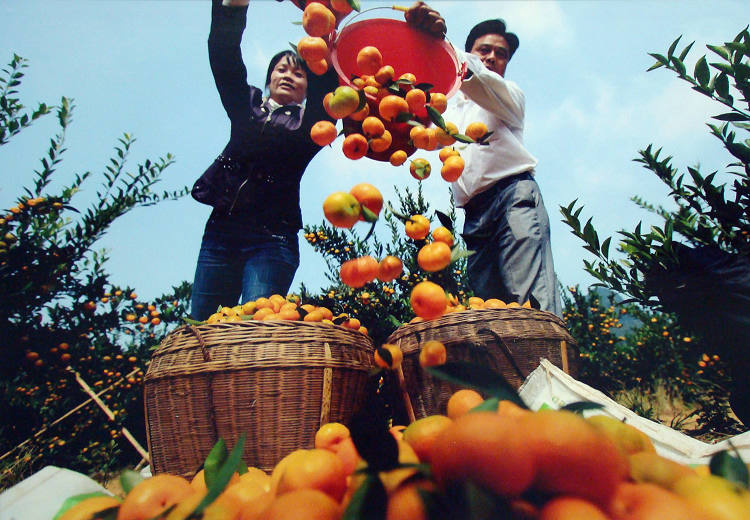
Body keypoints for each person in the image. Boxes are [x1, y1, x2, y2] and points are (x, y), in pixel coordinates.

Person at [406, 3, 562, 316]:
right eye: (484, 50)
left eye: (500, 54)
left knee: (531, 302)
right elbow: (411, 129)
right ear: (470, 52)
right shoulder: (445, 110)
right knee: (488, 308)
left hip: (512, 198)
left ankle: (551, 361)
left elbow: (475, 78)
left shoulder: (507, 97)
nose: (492, 57)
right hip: (474, 215)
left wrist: (444, 46)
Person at [189, 0, 339, 321]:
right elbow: (225, 59)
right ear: (269, 78)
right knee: (202, 326)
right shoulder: (247, 107)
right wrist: (232, 8)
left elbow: (330, 93)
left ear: (306, 89)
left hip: (272, 239)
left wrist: (324, 35)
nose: (288, 76)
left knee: (257, 326)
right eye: (281, 69)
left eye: (299, 74)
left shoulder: (309, 127)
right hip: (221, 232)